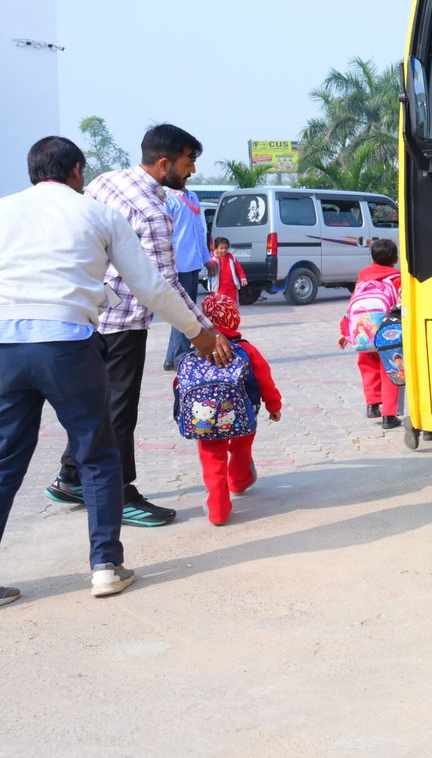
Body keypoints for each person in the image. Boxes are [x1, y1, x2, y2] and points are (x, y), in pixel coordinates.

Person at [0, 137, 229, 604]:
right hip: (67, 343)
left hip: (6, 345)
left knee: (5, 459)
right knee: (98, 453)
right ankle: (105, 565)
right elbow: (152, 286)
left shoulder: (4, 211)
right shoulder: (100, 215)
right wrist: (198, 333)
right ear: (76, 171)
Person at [46, 123, 226, 527]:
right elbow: (163, 284)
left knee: (99, 403)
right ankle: (120, 493)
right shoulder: (152, 212)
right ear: (164, 164)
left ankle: (71, 477)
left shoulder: (106, 182)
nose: (193, 170)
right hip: (123, 321)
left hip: (90, 313)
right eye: (188, 162)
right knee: (119, 411)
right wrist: (203, 332)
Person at [184, 293, 282, 526]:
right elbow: (265, 379)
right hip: (244, 413)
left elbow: (182, 384)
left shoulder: (195, 351)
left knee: (212, 455)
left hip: (205, 417)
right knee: (241, 446)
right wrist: (274, 405)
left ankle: (218, 509)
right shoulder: (246, 349)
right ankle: (239, 480)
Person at [338, 239, 401, 428]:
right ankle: (389, 416)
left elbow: (351, 309)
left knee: (367, 366)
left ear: (372, 259)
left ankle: (372, 405)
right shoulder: (397, 279)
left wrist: (345, 331)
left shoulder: (362, 280)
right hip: (387, 336)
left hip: (363, 334)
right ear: (396, 259)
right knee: (390, 369)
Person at [161, 186, 209, 370]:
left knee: (185, 311)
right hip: (178, 265)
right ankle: (180, 357)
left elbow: (199, 231)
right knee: (183, 313)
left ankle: (172, 357)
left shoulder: (193, 196)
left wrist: (206, 259)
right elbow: (164, 235)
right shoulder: (168, 199)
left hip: (194, 263)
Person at [209, 236, 247, 304]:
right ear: (216, 248)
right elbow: (211, 266)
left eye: (226, 248)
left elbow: (239, 269)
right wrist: (215, 256)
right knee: (221, 305)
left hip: (232, 287)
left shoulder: (232, 258)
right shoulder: (215, 259)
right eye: (221, 248)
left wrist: (243, 278)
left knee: (232, 305)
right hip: (220, 288)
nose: (223, 250)